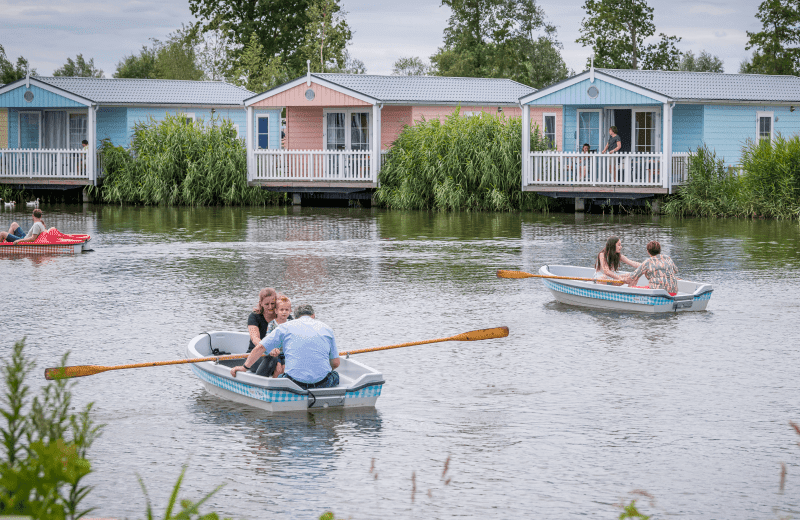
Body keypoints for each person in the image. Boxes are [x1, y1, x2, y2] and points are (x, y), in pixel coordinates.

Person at [231, 304, 341, 389]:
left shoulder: (285, 327)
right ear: (313, 316)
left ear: (296, 317)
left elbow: (260, 348)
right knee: (335, 375)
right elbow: (336, 363)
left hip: (294, 383)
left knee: (279, 378)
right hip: (323, 383)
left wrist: (244, 367)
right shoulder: (327, 328)